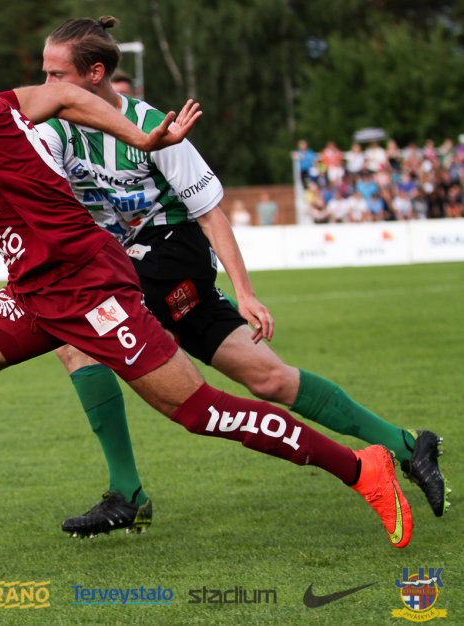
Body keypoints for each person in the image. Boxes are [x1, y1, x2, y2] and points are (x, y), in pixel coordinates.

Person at [0, 18, 414, 587]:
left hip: (85, 283)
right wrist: (139, 137)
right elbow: (61, 97)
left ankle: (362, 467)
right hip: (37, 289)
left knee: (198, 411)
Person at [34, 16, 446, 538]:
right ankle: (409, 445)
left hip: (174, 252)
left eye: (55, 75)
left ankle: (128, 494)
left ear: (95, 74)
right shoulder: (53, 130)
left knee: (78, 336)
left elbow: (210, 215)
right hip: (133, 264)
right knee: (270, 378)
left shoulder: (156, 127)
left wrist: (246, 293)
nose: (45, 85)